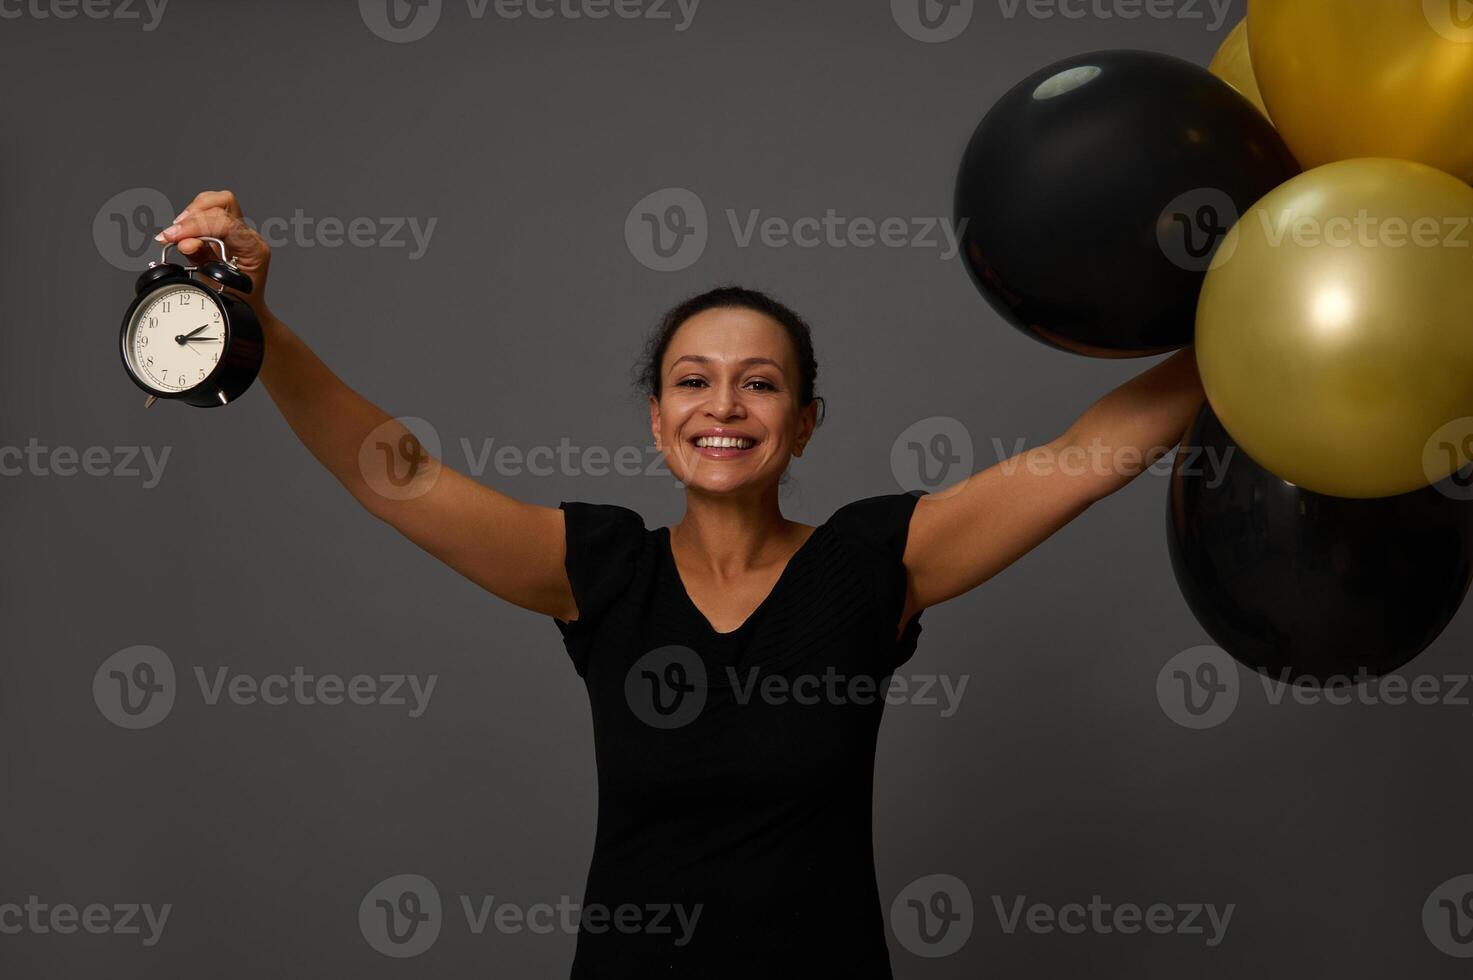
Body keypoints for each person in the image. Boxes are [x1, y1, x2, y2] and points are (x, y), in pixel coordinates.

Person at [156, 190, 1206, 978]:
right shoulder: (603, 572)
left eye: (762, 382)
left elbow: (1089, 451)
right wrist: (252, 323)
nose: (726, 405)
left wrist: (1247, 316)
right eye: (693, 380)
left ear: (803, 423)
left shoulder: (875, 564)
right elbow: (398, 474)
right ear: (658, 423)